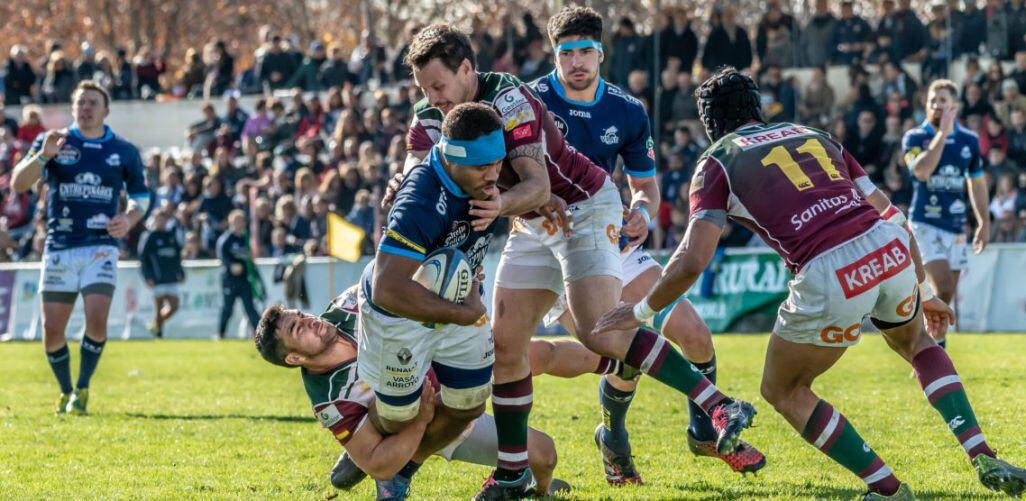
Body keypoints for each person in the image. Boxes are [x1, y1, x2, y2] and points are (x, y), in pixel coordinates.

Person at [594, 66, 1026, 500]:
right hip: (888, 247)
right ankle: (982, 454)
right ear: (758, 108)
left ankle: (887, 489)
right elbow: (890, 211)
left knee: (781, 390)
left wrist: (640, 311)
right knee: (918, 343)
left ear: (710, 124)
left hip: (828, 268)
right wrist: (923, 288)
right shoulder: (813, 134)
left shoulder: (718, 160)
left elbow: (692, 260)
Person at [399, 25, 757, 500]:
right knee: (506, 347)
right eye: (425, 90)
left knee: (602, 331)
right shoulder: (429, 116)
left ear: (467, 69)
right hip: (531, 221)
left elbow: (539, 186)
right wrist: (401, 189)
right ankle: (512, 475)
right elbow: (415, 174)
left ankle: (717, 404)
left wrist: (499, 204)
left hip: (584, 206)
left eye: (439, 86)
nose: (433, 98)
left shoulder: (508, 99)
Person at [527, 6, 764, 484]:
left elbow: (646, 188)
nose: (576, 62)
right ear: (555, 55)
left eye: (585, 52)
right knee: (621, 350)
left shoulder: (628, 110)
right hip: (548, 242)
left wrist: (641, 209)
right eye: (566, 53)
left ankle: (703, 433)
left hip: (611, 238)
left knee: (695, 332)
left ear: (601, 53)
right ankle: (613, 438)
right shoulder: (529, 102)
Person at [253, 284, 569, 497]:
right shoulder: (328, 397)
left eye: (302, 315)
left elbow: (397, 280)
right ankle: (397, 464)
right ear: (294, 358)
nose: (309, 321)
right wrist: (418, 424)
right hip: (433, 417)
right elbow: (378, 463)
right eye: (297, 328)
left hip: (449, 364)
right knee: (405, 418)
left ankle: (533, 486)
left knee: (545, 453)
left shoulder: (350, 305)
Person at [362, 103, 530, 499]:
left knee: (469, 402)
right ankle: (364, 447)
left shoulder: (484, 167)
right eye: (482, 168)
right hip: (399, 313)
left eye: (498, 162)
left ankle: (402, 469)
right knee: (397, 415)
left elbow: (533, 184)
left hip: (459, 301)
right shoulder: (420, 198)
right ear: (452, 160)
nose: (494, 176)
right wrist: (463, 313)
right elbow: (389, 287)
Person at [11, 80, 150, 414]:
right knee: (52, 331)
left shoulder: (124, 150)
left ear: (106, 110)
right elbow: (18, 183)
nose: (86, 108)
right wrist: (43, 158)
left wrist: (129, 219)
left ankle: (83, 388)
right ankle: (65, 388)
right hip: (60, 246)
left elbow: (142, 196)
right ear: (73, 109)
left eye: (92, 103)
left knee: (97, 319)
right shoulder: (55, 142)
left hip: (100, 245)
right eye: (80, 103)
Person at [902, 80, 991, 349]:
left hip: (955, 225)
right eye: (932, 101)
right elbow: (921, 171)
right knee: (940, 283)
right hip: (924, 222)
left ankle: (931, 348)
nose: (937, 105)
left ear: (955, 105)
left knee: (947, 293)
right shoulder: (915, 137)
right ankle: (930, 353)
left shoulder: (969, 141)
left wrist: (983, 223)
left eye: (943, 100)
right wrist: (942, 135)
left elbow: (976, 183)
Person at [137, 209, 184, 338]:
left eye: (163, 219)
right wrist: (148, 276)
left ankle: (155, 324)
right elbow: (143, 258)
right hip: (157, 278)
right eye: (158, 219)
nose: (161, 222)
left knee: (174, 305)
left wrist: (180, 272)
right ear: (154, 220)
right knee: (159, 307)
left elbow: (177, 256)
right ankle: (159, 333)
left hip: (171, 277)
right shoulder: (149, 237)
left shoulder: (171, 235)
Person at [215, 210, 262, 339]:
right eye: (237, 221)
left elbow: (250, 259)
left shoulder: (245, 239)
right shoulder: (226, 240)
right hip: (230, 280)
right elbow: (222, 258)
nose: (240, 224)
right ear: (231, 222)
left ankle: (260, 335)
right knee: (227, 309)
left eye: (242, 221)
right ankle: (221, 334)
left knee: (250, 308)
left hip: (244, 280)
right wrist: (231, 266)